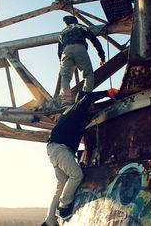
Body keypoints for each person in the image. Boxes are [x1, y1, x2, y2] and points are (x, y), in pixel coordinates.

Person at [41, 88, 119, 226]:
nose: (90, 108)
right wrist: (108, 92)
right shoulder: (76, 109)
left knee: (61, 185)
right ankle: (64, 207)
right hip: (60, 148)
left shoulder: (71, 115)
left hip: (55, 149)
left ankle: (49, 220)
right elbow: (88, 98)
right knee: (76, 175)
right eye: (89, 107)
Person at [58, 15, 106, 106]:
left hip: (65, 51)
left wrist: (62, 63)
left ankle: (65, 101)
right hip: (79, 47)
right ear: (75, 20)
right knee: (88, 74)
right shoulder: (81, 26)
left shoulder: (62, 33)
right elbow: (94, 40)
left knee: (65, 76)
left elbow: (59, 52)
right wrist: (101, 56)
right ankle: (84, 97)